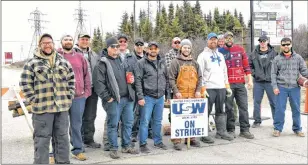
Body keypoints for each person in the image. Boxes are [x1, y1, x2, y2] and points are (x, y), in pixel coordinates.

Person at [20, 33, 75, 164]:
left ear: (53, 44)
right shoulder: (32, 63)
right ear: (40, 45)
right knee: (42, 140)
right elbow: (24, 83)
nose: (47, 45)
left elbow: (71, 80)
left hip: (62, 107)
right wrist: (33, 99)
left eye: (49, 42)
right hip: (42, 109)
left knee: (62, 139)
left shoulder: (63, 61)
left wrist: (69, 95)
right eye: (44, 43)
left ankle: (63, 162)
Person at [92, 37, 139, 159]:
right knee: (113, 125)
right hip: (113, 100)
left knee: (128, 123)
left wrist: (131, 81)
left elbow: (129, 75)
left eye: (117, 47)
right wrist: (107, 97)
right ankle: (113, 148)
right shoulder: (102, 63)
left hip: (127, 98)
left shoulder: (122, 60)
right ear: (107, 48)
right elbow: (98, 83)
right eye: (113, 47)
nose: (116, 49)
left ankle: (126, 145)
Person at [58, 34, 91, 161]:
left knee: (76, 125)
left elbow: (86, 75)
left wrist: (86, 92)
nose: (68, 41)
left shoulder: (80, 57)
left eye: (70, 39)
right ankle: (56, 151)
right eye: (65, 39)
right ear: (61, 42)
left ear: (73, 42)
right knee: (60, 126)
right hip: (61, 97)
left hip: (78, 97)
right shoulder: (56, 56)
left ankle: (77, 150)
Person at [197, 33, 234, 143]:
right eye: (211, 40)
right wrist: (202, 88)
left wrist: (227, 86)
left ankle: (221, 132)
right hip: (209, 87)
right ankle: (204, 134)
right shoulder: (202, 55)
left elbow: (224, 71)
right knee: (206, 111)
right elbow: (200, 73)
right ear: (207, 41)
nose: (213, 41)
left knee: (221, 110)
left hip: (220, 87)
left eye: (215, 40)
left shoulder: (221, 55)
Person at [135, 42, 171, 153]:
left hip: (160, 97)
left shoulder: (162, 62)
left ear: (158, 50)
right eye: (151, 49)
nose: (153, 50)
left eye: (155, 48)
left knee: (157, 120)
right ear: (147, 50)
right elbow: (137, 81)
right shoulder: (141, 63)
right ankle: (143, 144)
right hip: (147, 97)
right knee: (145, 121)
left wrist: (168, 95)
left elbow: (167, 80)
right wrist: (140, 97)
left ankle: (158, 141)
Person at [218, 31, 254, 139]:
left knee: (243, 106)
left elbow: (246, 66)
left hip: (240, 83)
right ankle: (231, 130)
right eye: (227, 38)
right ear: (223, 40)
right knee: (229, 108)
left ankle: (245, 130)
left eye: (231, 38)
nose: (229, 40)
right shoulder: (220, 52)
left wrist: (250, 80)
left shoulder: (240, 50)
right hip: (227, 84)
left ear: (233, 39)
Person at [168, 39, 202, 150]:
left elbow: (200, 78)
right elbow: (171, 78)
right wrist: (176, 91)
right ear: (181, 48)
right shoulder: (175, 62)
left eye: (188, 48)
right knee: (177, 118)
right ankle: (177, 141)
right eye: (184, 47)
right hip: (180, 94)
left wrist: (198, 91)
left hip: (192, 94)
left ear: (190, 49)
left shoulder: (195, 62)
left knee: (192, 118)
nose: (186, 49)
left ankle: (191, 139)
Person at [271, 37, 308, 137]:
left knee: (296, 108)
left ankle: (297, 129)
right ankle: (277, 129)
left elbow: (304, 71)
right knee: (279, 109)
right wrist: (275, 87)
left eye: (288, 44)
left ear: (291, 44)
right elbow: (273, 74)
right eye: (283, 45)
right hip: (281, 87)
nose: (286, 46)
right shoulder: (277, 59)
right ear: (281, 46)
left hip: (295, 87)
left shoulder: (298, 58)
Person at [73, 33, 101, 148]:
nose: (85, 41)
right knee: (77, 117)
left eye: (87, 39)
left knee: (90, 116)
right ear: (78, 40)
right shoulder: (73, 53)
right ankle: (77, 142)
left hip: (92, 89)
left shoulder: (94, 54)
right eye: (82, 39)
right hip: (79, 91)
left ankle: (88, 139)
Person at [248, 35, 277, 128]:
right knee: (256, 102)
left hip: (270, 82)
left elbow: (279, 66)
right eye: (260, 41)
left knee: (273, 102)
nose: (262, 42)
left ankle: (277, 121)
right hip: (258, 82)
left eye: (264, 41)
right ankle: (257, 121)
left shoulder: (274, 53)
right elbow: (249, 66)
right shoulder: (253, 54)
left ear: (267, 41)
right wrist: (255, 74)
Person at [131, 38, 153, 143]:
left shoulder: (148, 56)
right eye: (137, 45)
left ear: (144, 46)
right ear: (134, 46)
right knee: (136, 112)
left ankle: (148, 131)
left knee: (148, 113)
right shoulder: (130, 57)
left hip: (148, 89)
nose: (139, 46)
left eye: (141, 45)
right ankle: (133, 133)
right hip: (135, 88)